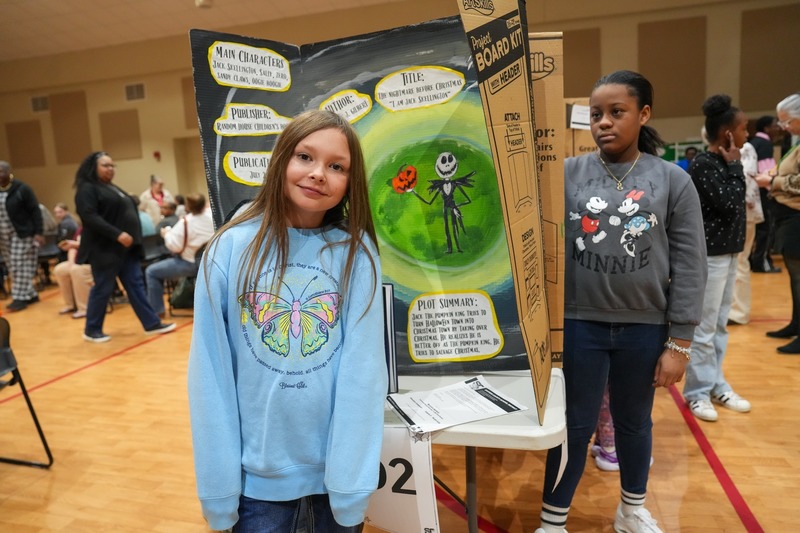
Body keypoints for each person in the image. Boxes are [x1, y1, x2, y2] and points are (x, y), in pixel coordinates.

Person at [188, 110, 386, 532]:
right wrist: (219, 491)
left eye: (337, 166)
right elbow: (210, 377)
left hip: (335, 485)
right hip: (254, 491)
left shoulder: (358, 253)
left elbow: (363, 375)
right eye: (305, 157)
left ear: (351, 182)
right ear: (281, 160)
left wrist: (351, 486)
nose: (318, 174)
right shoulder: (228, 249)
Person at [535, 71, 706, 533]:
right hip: (577, 325)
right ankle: (553, 522)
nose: (604, 122)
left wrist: (680, 343)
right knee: (573, 425)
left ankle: (631, 510)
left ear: (643, 113)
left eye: (617, 112)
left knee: (634, 424)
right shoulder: (566, 174)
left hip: (644, 329)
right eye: (596, 114)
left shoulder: (673, 181)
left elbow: (691, 264)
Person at [682, 94, 751, 422]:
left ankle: (715, 384)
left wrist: (735, 166)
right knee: (705, 329)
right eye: (743, 129)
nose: (746, 134)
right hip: (710, 258)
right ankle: (696, 392)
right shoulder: (705, 165)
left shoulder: (725, 164)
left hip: (730, 254)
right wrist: (736, 166)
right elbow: (730, 204)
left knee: (720, 326)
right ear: (727, 134)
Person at [74, 151, 176, 343]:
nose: (110, 169)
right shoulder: (87, 189)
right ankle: (91, 329)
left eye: (112, 165)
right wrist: (117, 234)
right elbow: (89, 217)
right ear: (93, 167)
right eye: (105, 165)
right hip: (105, 249)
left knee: (135, 286)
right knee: (103, 288)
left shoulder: (111, 188)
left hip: (125, 250)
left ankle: (151, 323)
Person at [766, 93, 800, 353]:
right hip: (788, 217)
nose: (784, 127)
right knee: (794, 277)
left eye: (787, 122)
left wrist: (774, 182)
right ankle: (796, 324)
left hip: (796, 218)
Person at [145, 193, 214, 317]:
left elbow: (174, 247)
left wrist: (166, 234)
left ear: (187, 207)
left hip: (190, 264)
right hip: (211, 263)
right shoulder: (211, 216)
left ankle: (157, 312)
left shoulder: (185, 223)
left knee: (151, 271)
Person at [728, 141, 769, 325]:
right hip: (740, 210)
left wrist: (743, 203)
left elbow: (749, 177)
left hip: (744, 210)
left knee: (740, 261)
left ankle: (739, 312)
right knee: (736, 263)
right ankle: (734, 309)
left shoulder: (746, 148)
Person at [0, 160, 45, 312]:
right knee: (13, 266)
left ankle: (19, 298)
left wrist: (39, 232)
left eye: (2, 172)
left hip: (22, 233)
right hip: (3, 235)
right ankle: (31, 294)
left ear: (8, 172)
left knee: (18, 263)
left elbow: (35, 210)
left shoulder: (21, 189)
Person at [749, 116, 781, 273]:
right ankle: (761, 263)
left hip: (752, 194)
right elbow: (766, 173)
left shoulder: (753, 143)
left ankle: (753, 260)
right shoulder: (765, 144)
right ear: (767, 128)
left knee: (754, 230)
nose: (778, 128)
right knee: (765, 229)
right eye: (775, 125)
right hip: (763, 193)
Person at [53, 234, 93, 318]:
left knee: (77, 270)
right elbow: (72, 249)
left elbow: (94, 245)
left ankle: (84, 308)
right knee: (60, 270)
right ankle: (70, 305)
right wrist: (71, 263)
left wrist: (76, 244)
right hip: (79, 262)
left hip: (92, 262)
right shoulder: (79, 230)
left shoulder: (98, 227)